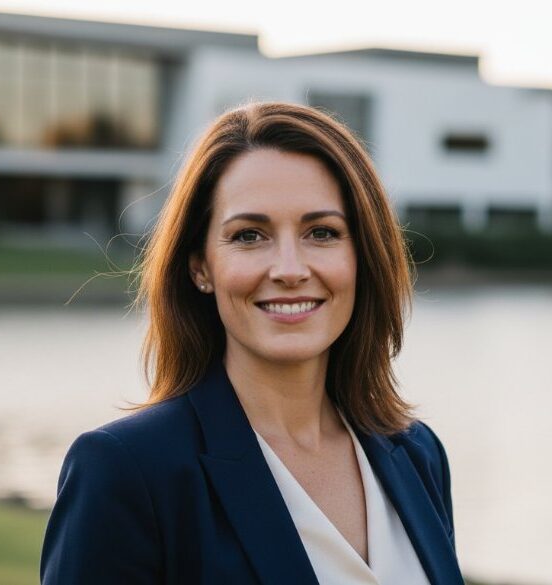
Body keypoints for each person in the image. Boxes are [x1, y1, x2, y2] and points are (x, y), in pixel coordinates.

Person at [40, 101, 464, 584]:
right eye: (249, 236)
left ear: (362, 256)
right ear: (200, 267)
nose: (289, 269)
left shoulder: (416, 453)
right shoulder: (126, 471)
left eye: (321, 232)